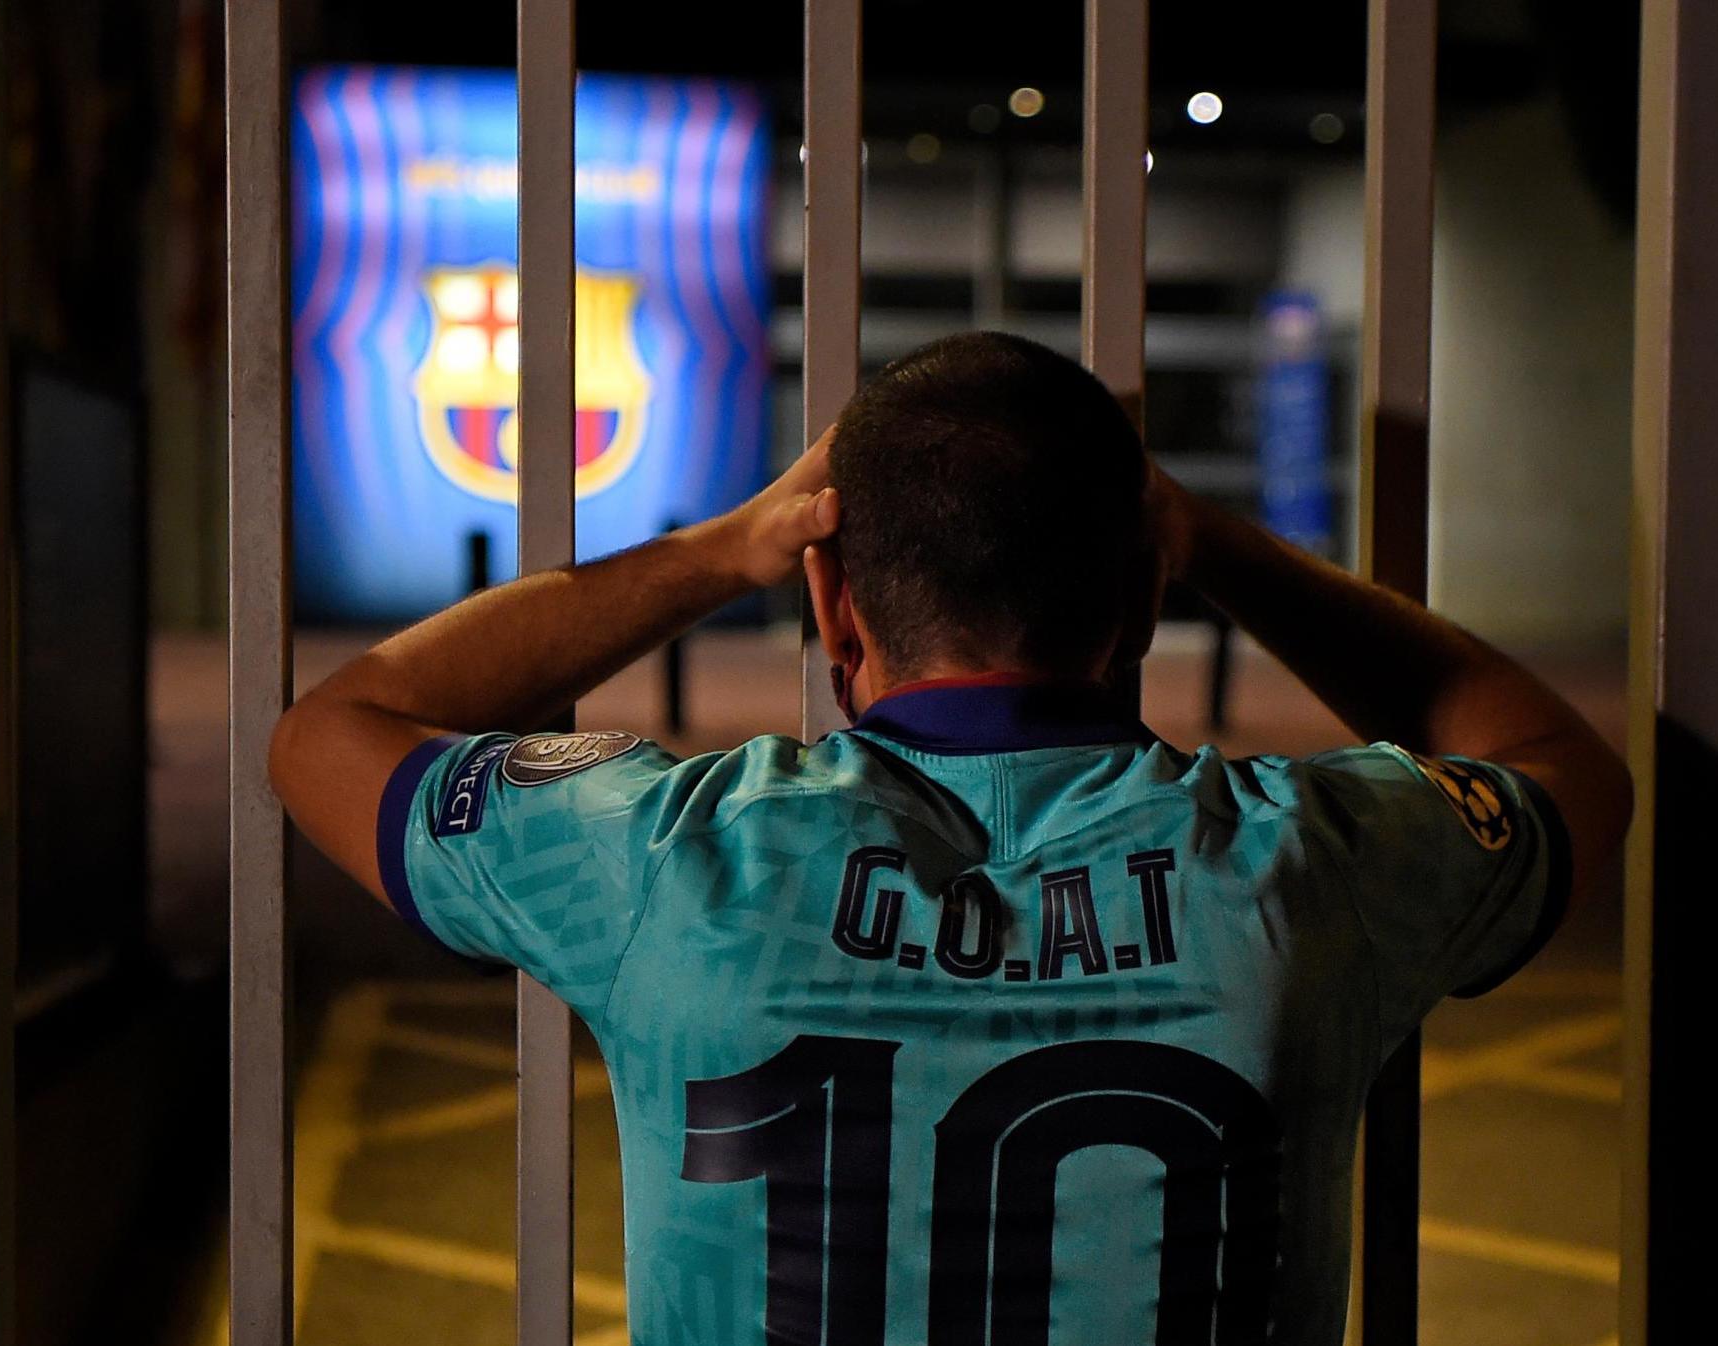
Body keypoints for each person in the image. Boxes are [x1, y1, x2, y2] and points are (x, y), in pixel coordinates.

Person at [269, 331, 1632, 1345]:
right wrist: (1220, 544)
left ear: (834, 607)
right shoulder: (1307, 866)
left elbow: (332, 729)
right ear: (1138, 603)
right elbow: (1563, 767)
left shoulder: (664, 859)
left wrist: (718, 550)